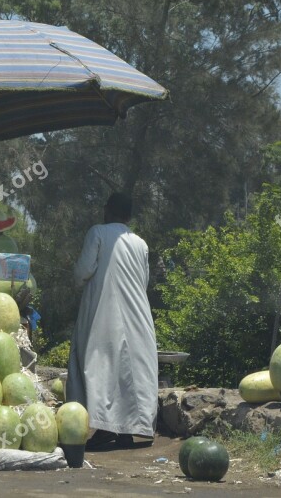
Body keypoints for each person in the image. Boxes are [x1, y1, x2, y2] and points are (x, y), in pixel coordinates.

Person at [67, 192, 158, 450]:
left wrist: (78, 282)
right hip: (138, 313)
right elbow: (144, 281)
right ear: (129, 217)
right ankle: (126, 432)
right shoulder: (141, 243)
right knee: (132, 370)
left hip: (102, 309)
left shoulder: (97, 232)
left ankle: (104, 428)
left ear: (107, 210)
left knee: (100, 364)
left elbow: (83, 270)